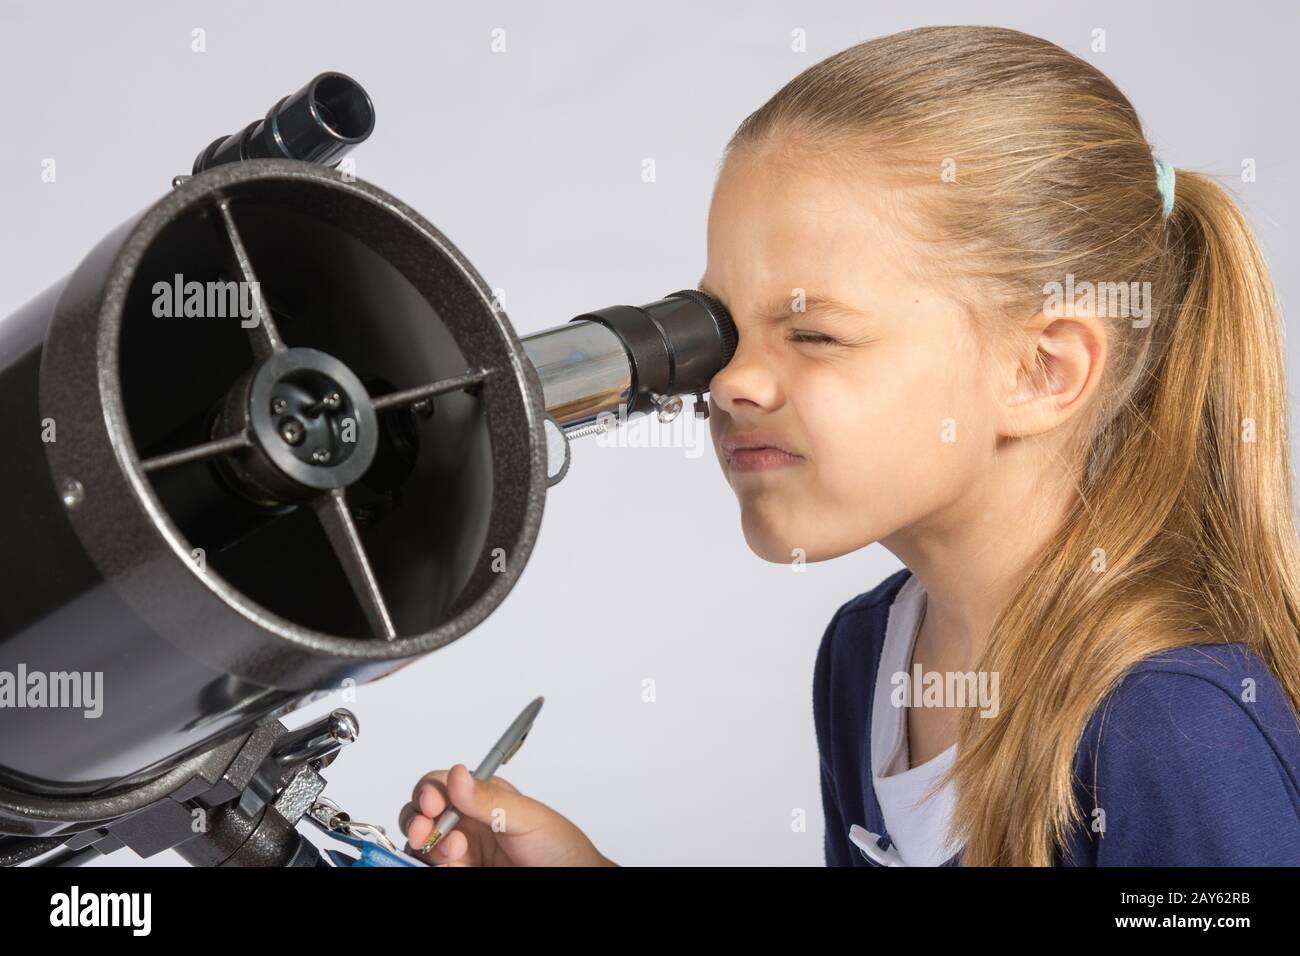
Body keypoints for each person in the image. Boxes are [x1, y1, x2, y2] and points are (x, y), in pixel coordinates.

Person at [398, 25, 1300, 866]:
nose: (728, 382)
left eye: (816, 335)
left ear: (1041, 371)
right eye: (719, 330)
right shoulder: (869, 656)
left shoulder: (1176, 727)